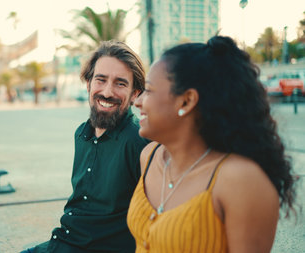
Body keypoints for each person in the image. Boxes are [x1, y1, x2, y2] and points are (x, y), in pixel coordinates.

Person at [127, 35, 297, 252]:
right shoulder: (149, 157)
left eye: (149, 90)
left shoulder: (241, 180)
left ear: (186, 101)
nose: (137, 100)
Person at [24, 41, 149, 253]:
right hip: (66, 240)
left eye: (120, 83)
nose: (107, 92)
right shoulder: (81, 133)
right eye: (101, 80)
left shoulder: (139, 143)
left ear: (135, 93)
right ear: (88, 84)